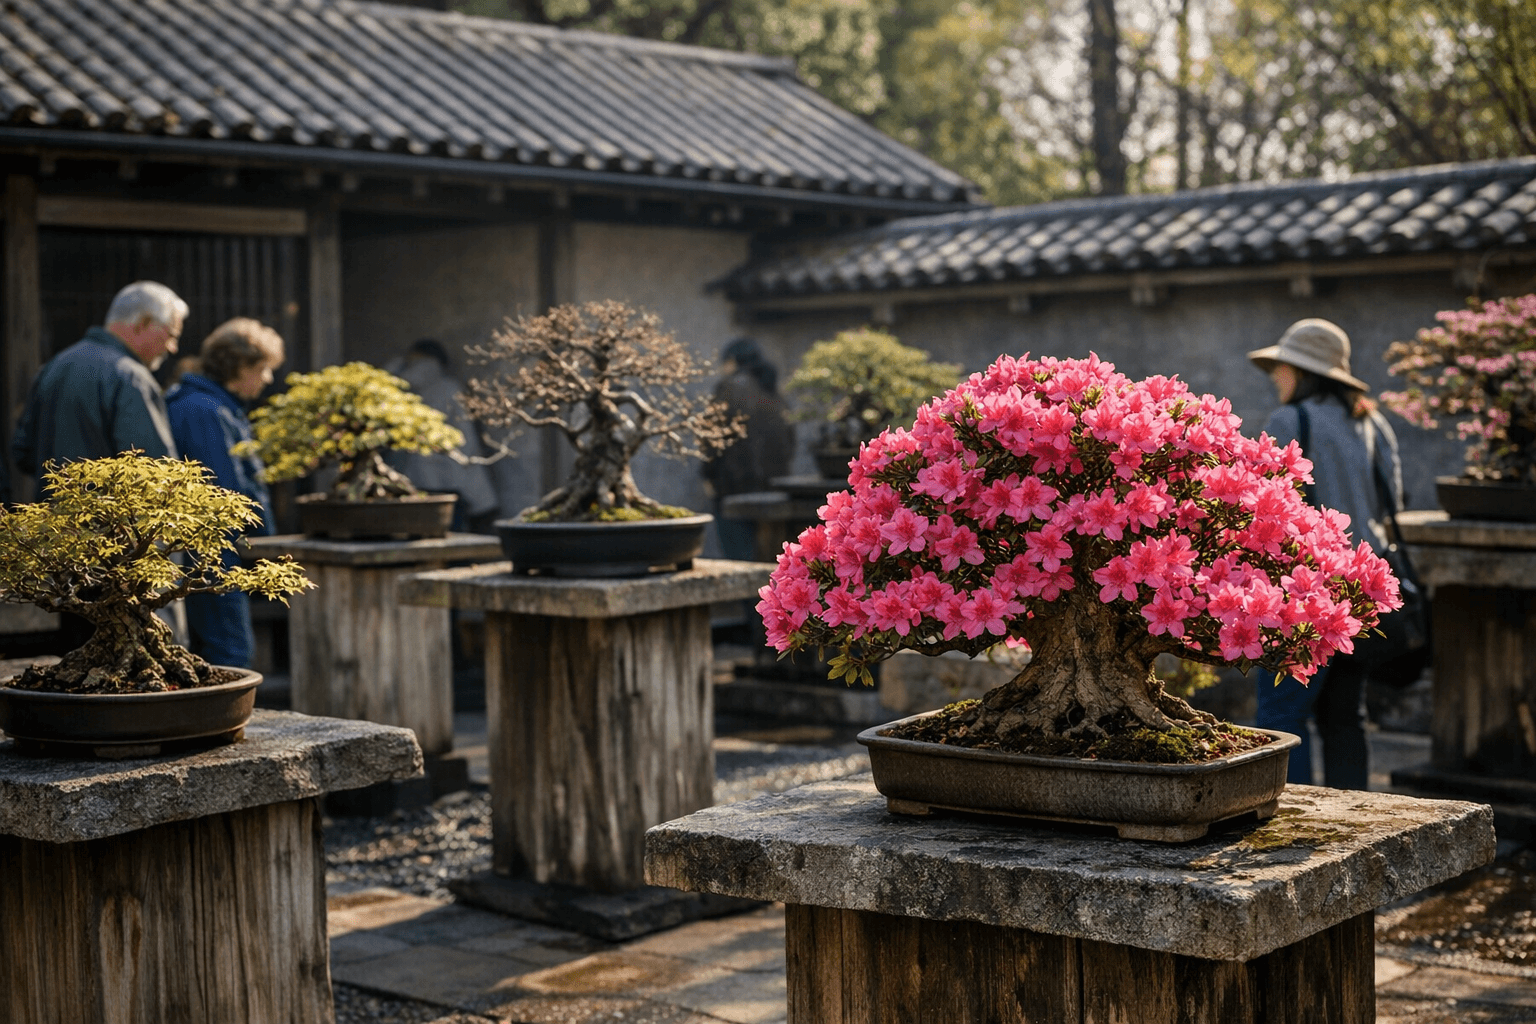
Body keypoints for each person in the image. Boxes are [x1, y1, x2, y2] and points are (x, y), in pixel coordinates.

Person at [1248, 318, 1403, 789]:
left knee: (1283, 714)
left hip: (1304, 593)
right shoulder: (1373, 422)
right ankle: (1353, 814)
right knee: (1345, 715)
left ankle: (1288, 810)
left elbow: (1267, 506)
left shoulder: (1290, 422)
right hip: (1362, 592)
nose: (1276, 377)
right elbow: (1392, 501)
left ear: (1302, 371)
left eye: (1282, 367)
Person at [165, 318, 285, 669]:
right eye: (263, 369)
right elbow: (226, 494)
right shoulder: (205, 412)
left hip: (199, 550)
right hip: (211, 552)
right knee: (231, 654)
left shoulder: (200, 403)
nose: (268, 379)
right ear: (239, 366)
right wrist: (265, 544)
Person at [12, 281, 187, 487]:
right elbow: (154, 470)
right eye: (171, 335)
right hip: (111, 518)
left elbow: (22, 452)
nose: (173, 348)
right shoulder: (131, 376)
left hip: (49, 515)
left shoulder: (54, 366)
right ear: (144, 323)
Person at [383, 339, 500, 532]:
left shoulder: (395, 387)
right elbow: (467, 439)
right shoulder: (450, 388)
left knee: (419, 530)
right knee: (451, 529)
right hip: (451, 476)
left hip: (413, 477)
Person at [702, 337, 794, 561]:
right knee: (769, 561)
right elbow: (790, 439)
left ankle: (745, 598)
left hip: (733, 488)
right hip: (774, 489)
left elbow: (711, 438)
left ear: (732, 361)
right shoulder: (772, 390)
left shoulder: (728, 388)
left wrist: (707, 475)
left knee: (739, 560)